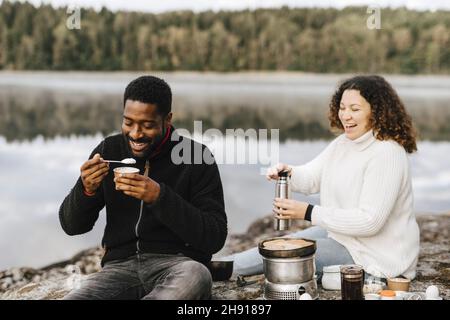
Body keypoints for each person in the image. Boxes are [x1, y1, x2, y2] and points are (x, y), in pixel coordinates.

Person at [230, 75, 420, 280]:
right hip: (345, 237)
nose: (345, 115)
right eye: (342, 107)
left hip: (376, 256)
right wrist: (288, 173)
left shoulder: (387, 153)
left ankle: (214, 270)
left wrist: (308, 212)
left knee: (285, 254)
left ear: (377, 112)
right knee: (289, 242)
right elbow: (313, 177)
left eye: (355, 109)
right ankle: (215, 265)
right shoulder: (343, 144)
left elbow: (370, 221)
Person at [59, 75, 227, 299]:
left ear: (167, 119)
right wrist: (86, 189)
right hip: (119, 269)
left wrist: (159, 197)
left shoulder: (196, 157)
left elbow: (214, 236)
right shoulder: (109, 151)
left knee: (197, 276)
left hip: (179, 264)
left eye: (147, 125)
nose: (136, 134)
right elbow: (72, 226)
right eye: (128, 122)